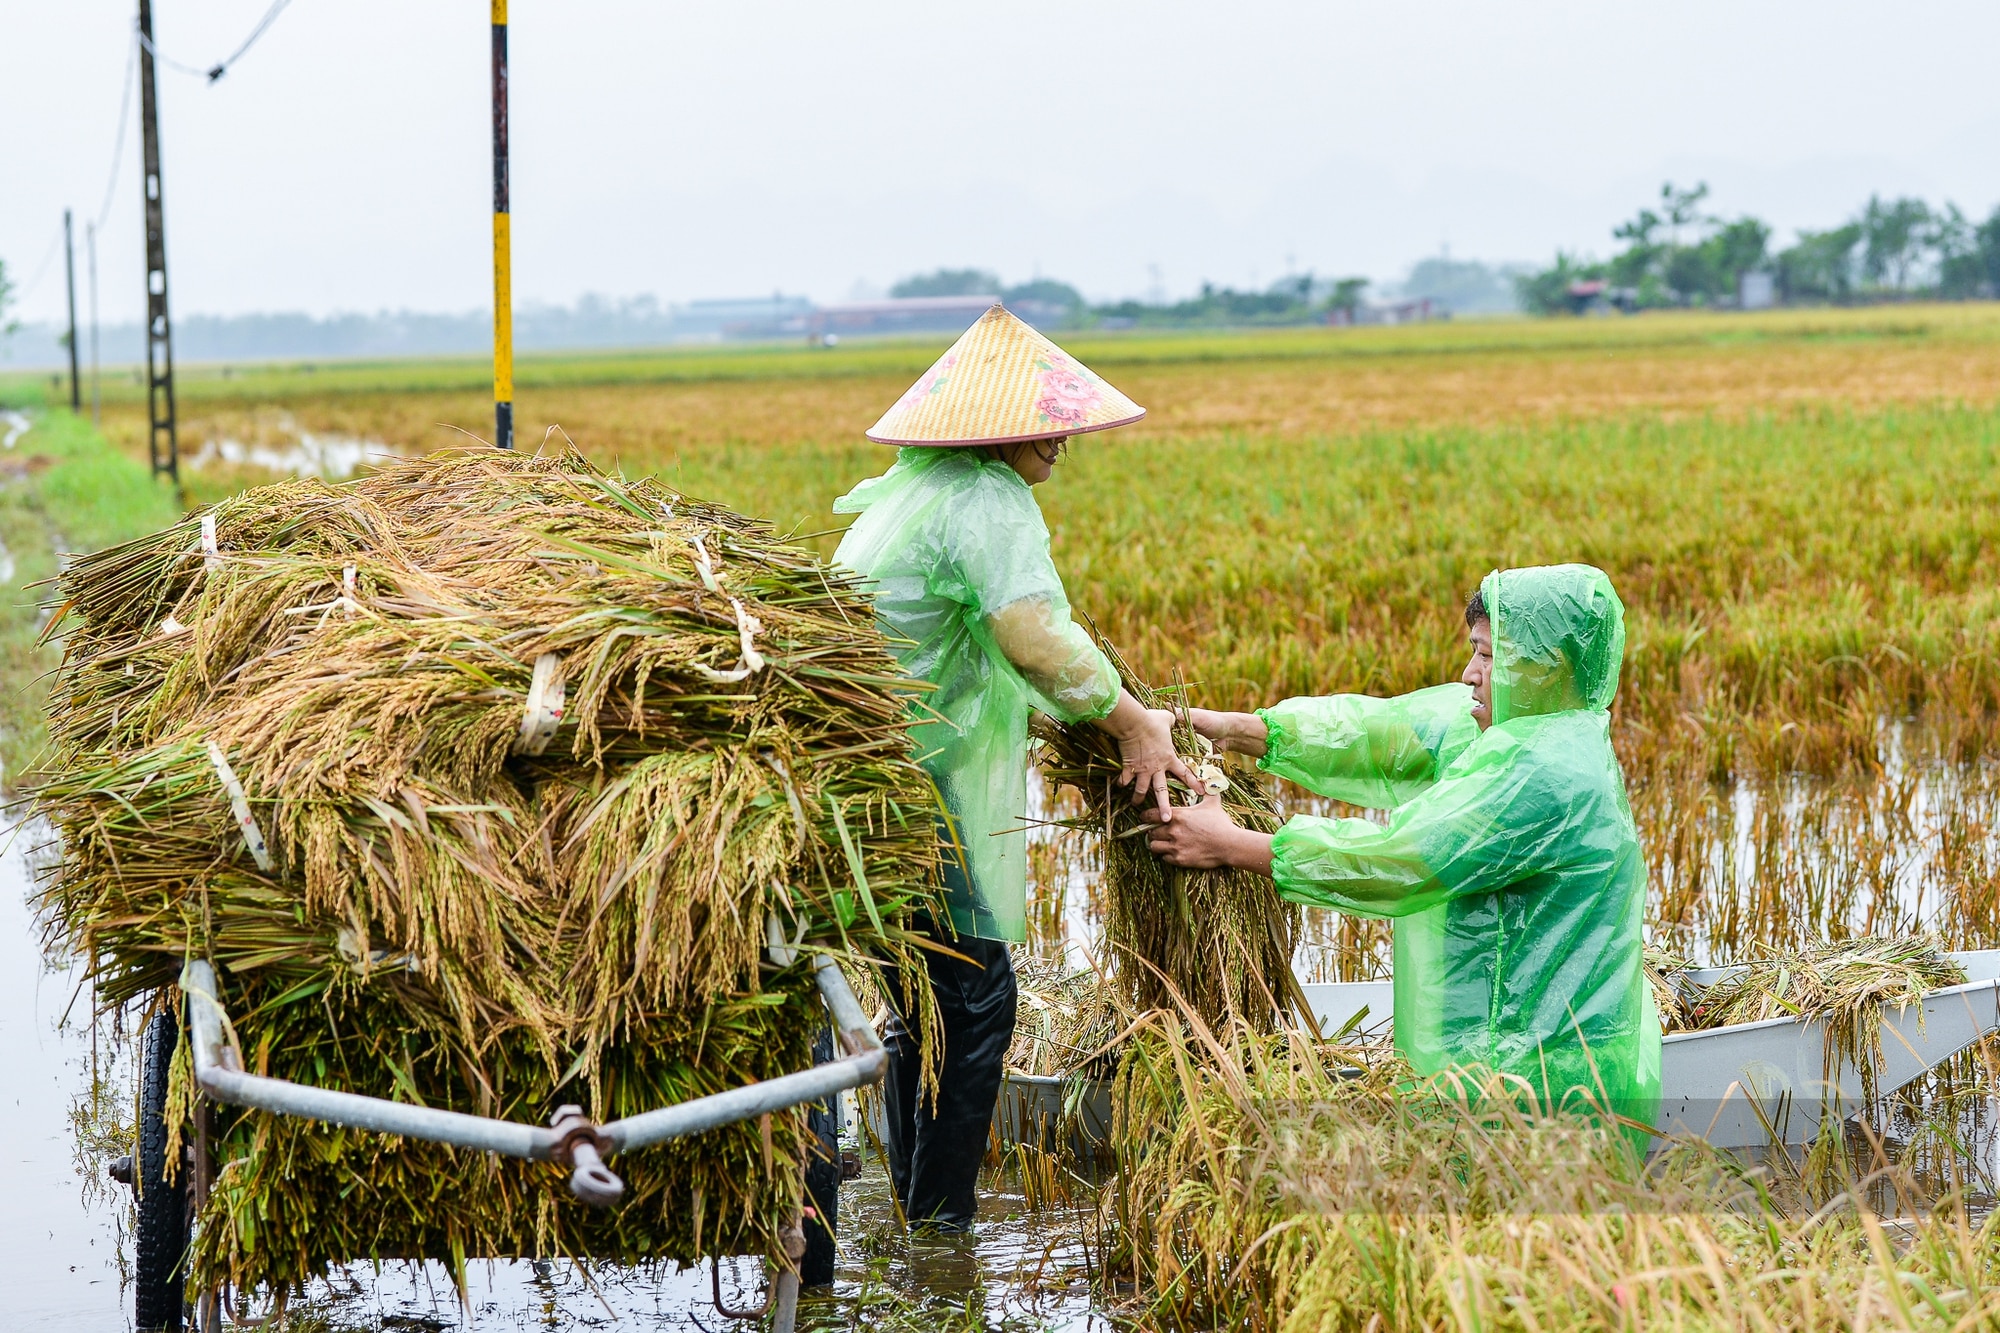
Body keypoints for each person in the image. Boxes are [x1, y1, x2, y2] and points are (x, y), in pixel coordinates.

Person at [832, 305, 1191, 1232]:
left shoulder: (914, 492)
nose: (1066, 437)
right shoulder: (985, 499)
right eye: (1049, 420)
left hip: (869, 781)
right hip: (916, 779)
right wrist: (1133, 723)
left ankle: (917, 1212)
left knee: (927, 996)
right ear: (996, 427)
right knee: (977, 991)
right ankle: (943, 1230)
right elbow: (1033, 637)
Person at [1142, 563, 1662, 1134]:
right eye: (1473, 650)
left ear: (1547, 666)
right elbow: (1374, 732)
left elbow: (1403, 863)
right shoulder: (1494, 726)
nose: (1470, 674)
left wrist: (1233, 845)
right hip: (1475, 1065)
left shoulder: (1551, 773)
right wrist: (1227, 729)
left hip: (1545, 1087)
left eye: (1489, 657)